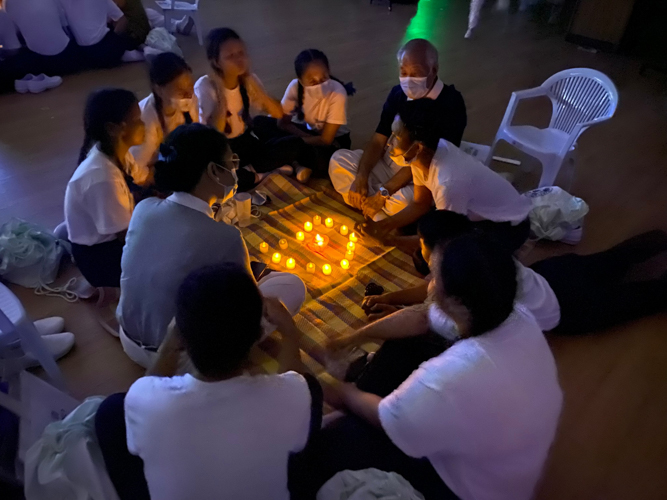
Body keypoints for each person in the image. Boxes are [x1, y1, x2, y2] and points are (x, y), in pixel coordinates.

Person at [294, 235, 563, 500]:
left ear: (455, 300)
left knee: (329, 446)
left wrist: (339, 392)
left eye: (434, 277)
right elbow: (422, 318)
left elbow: (385, 419)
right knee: (407, 345)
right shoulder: (513, 316)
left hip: (467, 488)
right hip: (506, 460)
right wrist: (351, 339)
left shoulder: (453, 375)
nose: (429, 284)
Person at [96, 263, 322, 500]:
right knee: (312, 398)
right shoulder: (290, 396)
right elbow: (296, 384)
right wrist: (289, 331)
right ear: (258, 335)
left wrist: (170, 345)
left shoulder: (147, 400)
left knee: (111, 413)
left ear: (180, 335)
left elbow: (142, 396)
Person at [118, 123, 306, 368]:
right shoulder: (225, 236)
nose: (235, 169)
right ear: (214, 171)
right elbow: (252, 305)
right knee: (291, 286)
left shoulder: (143, 208)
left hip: (128, 338)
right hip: (179, 359)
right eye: (231, 162)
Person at [360, 210, 667, 336]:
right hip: (553, 273)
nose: (419, 251)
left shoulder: (464, 280)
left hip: (569, 307)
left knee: (640, 298)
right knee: (612, 260)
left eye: (423, 245)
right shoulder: (473, 248)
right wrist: (390, 297)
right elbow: (429, 292)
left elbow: (429, 318)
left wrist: (393, 311)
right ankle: (657, 240)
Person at [359, 99, 531, 253]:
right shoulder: (425, 155)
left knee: (438, 258)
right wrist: (381, 227)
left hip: (508, 226)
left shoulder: (448, 181)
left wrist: (387, 240)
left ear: (417, 147)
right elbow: (420, 203)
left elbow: (443, 240)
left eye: (396, 137)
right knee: (416, 229)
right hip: (472, 213)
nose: (389, 143)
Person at [329, 38, 466, 221]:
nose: (408, 80)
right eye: (403, 72)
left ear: (434, 70)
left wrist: (384, 192)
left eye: (415, 73)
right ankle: (375, 209)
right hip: (388, 162)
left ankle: (373, 206)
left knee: (405, 202)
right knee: (338, 160)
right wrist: (362, 176)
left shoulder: (451, 104)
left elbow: (426, 161)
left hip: (418, 177)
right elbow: (379, 140)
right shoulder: (397, 94)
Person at [194, 28, 298, 191]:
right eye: (230, 56)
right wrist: (221, 95)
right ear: (216, 62)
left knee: (293, 143)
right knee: (215, 180)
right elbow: (214, 135)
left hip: (247, 143)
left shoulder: (248, 80)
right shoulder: (205, 87)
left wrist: (257, 89)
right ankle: (260, 174)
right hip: (223, 149)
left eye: (241, 53)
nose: (239, 60)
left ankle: (253, 172)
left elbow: (278, 113)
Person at [64, 88, 146, 288]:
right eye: (136, 121)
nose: (143, 125)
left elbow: (143, 181)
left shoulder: (118, 153)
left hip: (114, 239)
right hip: (100, 258)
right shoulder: (101, 177)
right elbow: (127, 238)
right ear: (113, 128)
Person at [251, 48, 353, 183]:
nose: (320, 85)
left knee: (322, 164)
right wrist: (298, 139)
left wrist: (294, 141)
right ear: (300, 80)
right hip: (309, 135)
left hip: (333, 145)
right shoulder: (295, 87)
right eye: (313, 82)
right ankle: (295, 164)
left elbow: (326, 140)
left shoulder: (337, 93)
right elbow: (281, 123)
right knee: (259, 122)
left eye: (324, 78)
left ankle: (278, 163)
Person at [130, 52, 199, 173]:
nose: (189, 95)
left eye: (191, 86)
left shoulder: (190, 100)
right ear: (158, 90)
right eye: (180, 91)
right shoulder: (146, 119)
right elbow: (136, 170)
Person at [2, 0, 80, 90]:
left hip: (40, 57)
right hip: (66, 53)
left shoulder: (7, 4)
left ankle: (28, 79)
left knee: (17, 49)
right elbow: (65, 26)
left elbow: (15, 39)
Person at [57, 0, 131, 69]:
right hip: (108, 51)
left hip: (85, 55)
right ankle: (128, 52)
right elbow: (123, 20)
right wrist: (115, 37)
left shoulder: (62, 2)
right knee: (120, 30)